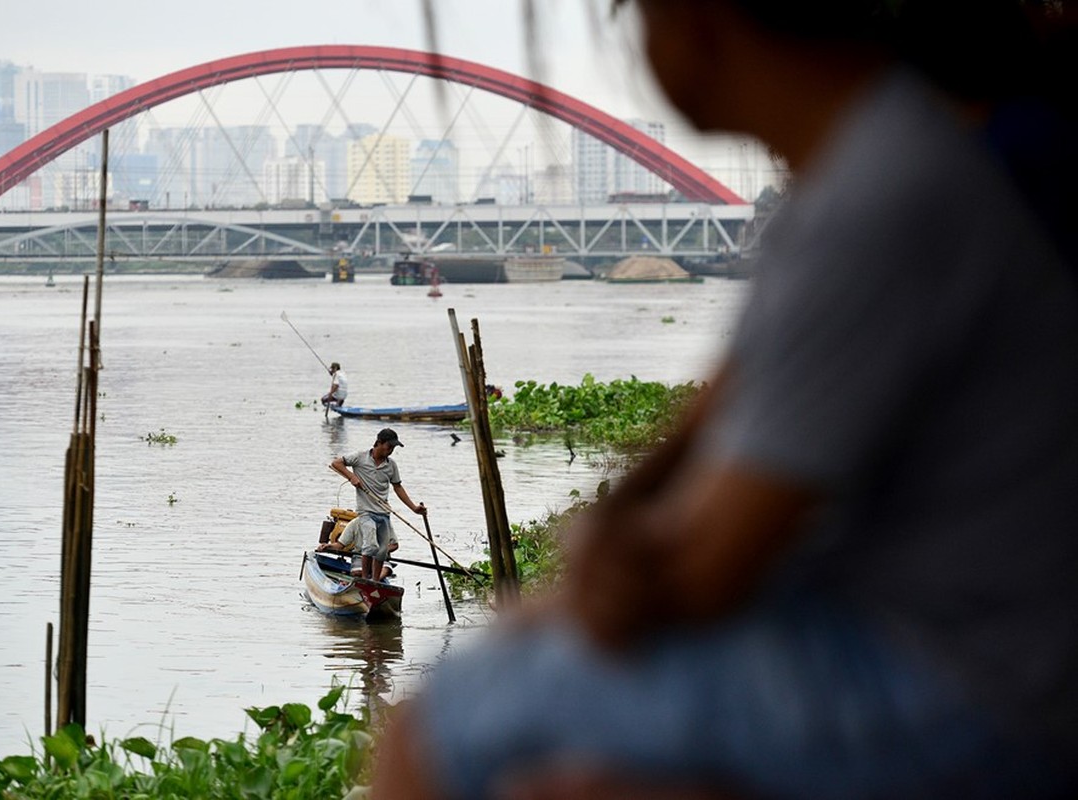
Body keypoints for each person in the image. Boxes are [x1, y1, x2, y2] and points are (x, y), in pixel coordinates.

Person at [374, 2, 1078, 798]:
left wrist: (590, 583)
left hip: (967, 687)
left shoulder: (877, 204)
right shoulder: (864, 171)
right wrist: (608, 534)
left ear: (697, 25)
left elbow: (705, 572)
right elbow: (704, 425)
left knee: (436, 726)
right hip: (955, 645)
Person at [331, 428, 427, 582]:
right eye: (389, 446)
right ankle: (364, 579)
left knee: (382, 551)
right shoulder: (360, 457)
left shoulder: (391, 465)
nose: (391, 451)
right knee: (371, 546)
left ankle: (375, 581)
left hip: (383, 511)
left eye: (393, 448)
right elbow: (336, 463)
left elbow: (398, 487)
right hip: (366, 511)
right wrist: (351, 477)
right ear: (379, 443)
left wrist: (414, 508)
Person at [318, 514, 400, 579]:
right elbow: (340, 545)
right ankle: (366, 579)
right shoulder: (355, 523)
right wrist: (328, 546)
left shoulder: (384, 523)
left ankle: (375, 581)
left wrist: (382, 551)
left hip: (378, 557)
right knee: (356, 572)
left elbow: (394, 545)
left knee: (386, 570)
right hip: (359, 556)